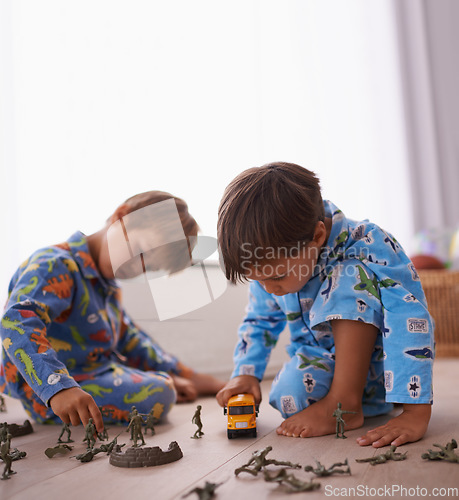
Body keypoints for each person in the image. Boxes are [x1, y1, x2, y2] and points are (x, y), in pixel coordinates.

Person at [216, 162, 434, 448]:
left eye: (277, 277)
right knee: (288, 396)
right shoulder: (271, 266)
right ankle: (347, 406)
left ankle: (344, 401)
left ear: (317, 237)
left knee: (349, 278)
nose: (270, 289)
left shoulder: (368, 245)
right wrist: (245, 374)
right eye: (257, 280)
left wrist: (415, 413)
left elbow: (409, 317)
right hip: (326, 366)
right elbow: (259, 320)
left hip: (384, 373)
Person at [0, 191, 224, 434]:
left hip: (97, 373)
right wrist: (59, 388)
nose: (138, 268)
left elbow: (132, 341)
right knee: (162, 392)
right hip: (53, 390)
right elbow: (16, 322)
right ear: (121, 216)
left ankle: (176, 378)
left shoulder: (108, 288)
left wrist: (187, 375)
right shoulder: (55, 264)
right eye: (140, 251)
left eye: (150, 267)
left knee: (164, 382)